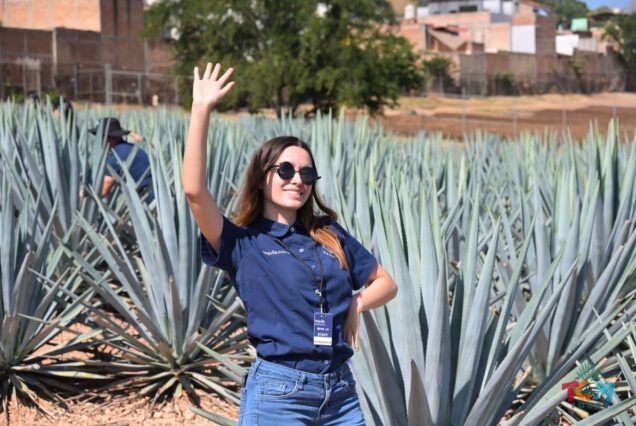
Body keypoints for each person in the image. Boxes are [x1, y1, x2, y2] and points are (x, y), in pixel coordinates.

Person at [182, 62, 398, 425]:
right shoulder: (242, 242)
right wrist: (201, 109)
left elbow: (386, 283)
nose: (297, 180)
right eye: (285, 170)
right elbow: (193, 191)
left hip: (340, 391)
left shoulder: (328, 233)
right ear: (262, 176)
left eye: (307, 173)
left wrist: (355, 304)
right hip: (279, 393)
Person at [88, 117, 153, 200]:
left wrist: (83, 193)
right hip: (155, 196)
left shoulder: (116, 157)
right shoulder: (130, 148)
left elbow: (102, 191)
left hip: (149, 201)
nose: (98, 141)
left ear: (108, 137)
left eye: (100, 136)